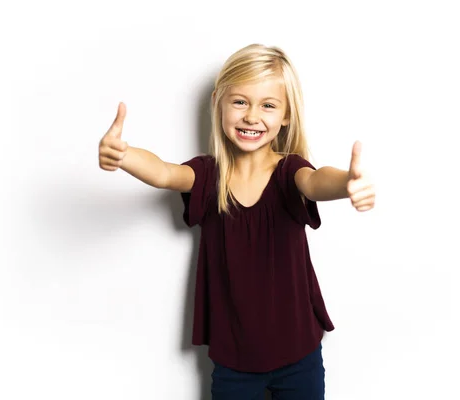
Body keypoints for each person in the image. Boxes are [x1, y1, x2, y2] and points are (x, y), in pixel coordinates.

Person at [98, 43, 375, 400]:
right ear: (219, 102)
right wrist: (125, 155)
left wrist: (347, 183)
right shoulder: (208, 175)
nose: (251, 116)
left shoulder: (290, 171)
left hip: (299, 354)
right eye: (240, 101)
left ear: (286, 116)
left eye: (268, 105)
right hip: (233, 361)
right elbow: (166, 174)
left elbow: (317, 181)